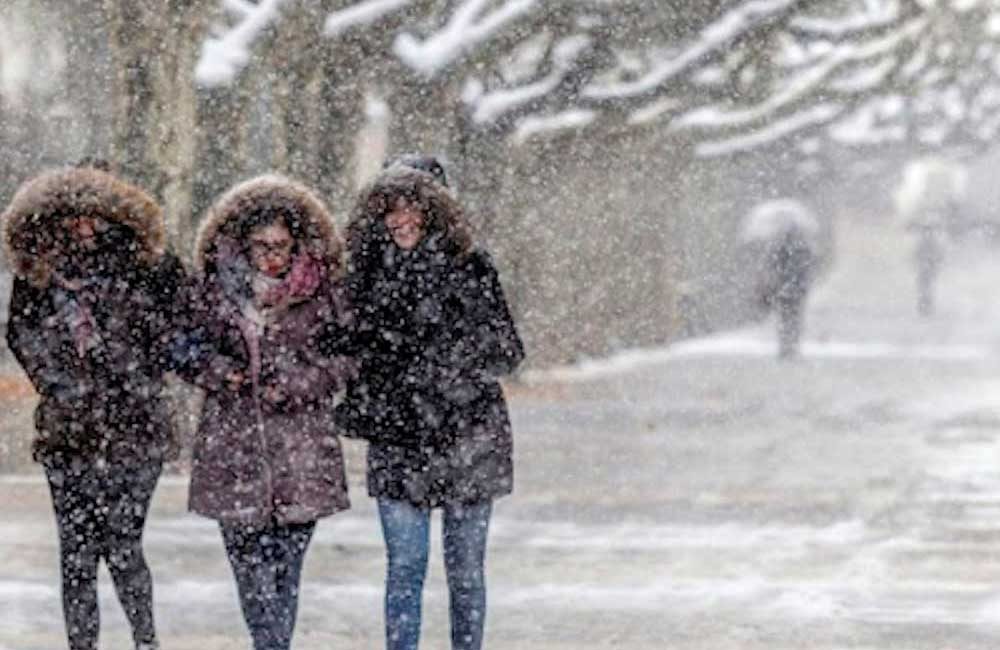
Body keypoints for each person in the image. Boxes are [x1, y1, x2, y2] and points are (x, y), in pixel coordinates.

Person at [335, 158, 525, 650]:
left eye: (410, 207)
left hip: (468, 436)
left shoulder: (472, 267)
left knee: (464, 573)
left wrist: (444, 369)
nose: (399, 220)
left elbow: (507, 350)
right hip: (398, 438)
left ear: (435, 210)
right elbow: (342, 346)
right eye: (388, 209)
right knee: (404, 567)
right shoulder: (365, 274)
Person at [3, 165, 185, 650]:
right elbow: (21, 332)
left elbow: (175, 329)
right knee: (77, 555)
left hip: (136, 426)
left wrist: (131, 365)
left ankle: (146, 640)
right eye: (74, 216)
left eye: (96, 214)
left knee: (124, 545)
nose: (84, 226)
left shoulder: (150, 266)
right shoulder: (40, 271)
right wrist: (60, 383)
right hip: (69, 432)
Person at [179, 175, 354, 650]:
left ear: (298, 243)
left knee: (286, 571)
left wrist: (300, 384)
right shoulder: (213, 290)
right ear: (242, 244)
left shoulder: (323, 293)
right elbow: (183, 347)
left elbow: (346, 358)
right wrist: (221, 373)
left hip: (300, 452)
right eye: (261, 245)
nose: (272, 255)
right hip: (232, 451)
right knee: (249, 570)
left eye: (281, 244)